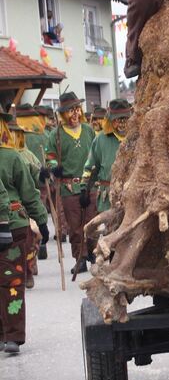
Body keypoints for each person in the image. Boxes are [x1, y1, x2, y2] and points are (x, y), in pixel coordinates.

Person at [0, 112, 49, 355]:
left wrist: (41, 219)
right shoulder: (12, 156)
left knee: (10, 280)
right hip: (12, 224)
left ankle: (11, 336)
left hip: (12, 226)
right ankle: (8, 335)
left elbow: (28, 192)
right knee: (11, 281)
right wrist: (41, 220)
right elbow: (29, 191)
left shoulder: (12, 157)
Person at [45, 91, 97, 273]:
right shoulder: (56, 135)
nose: (75, 114)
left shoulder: (89, 130)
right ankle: (80, 258)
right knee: (75, 227)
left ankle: (94, 254)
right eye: (70, 110)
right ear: (63, 113)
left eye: (77, 109)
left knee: (92, 223)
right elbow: (50, 157)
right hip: (69, 187)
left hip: (90, 185)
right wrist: (54, 168)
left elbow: (96, 153)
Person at [81, 100, 132, 213]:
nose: (122, 124)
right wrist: (84, 189)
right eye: (118, 120)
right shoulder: (100, 139)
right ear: (111, 120)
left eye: (125, 119)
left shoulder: (136, 138)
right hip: (107, 199)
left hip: (132, 198)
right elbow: (90, 167)